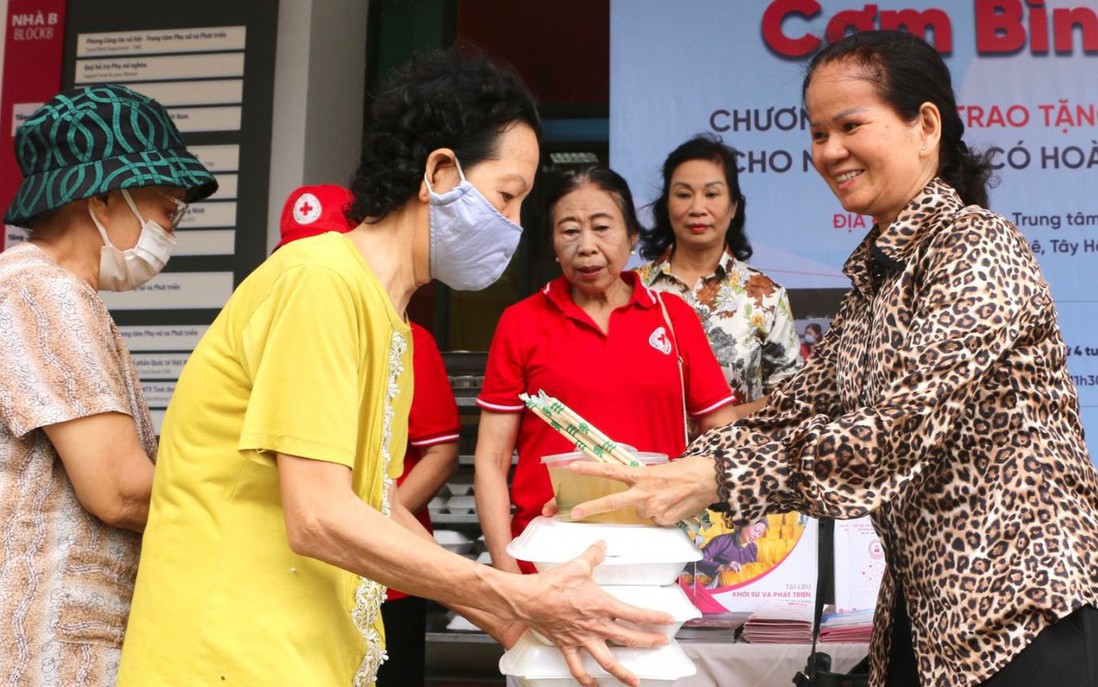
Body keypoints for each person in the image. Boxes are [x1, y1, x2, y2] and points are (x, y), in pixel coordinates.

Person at [116, 50, 669, 687]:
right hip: (229, 656)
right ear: (439, 171)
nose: (515, 228)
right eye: (507, 196)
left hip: (298, 657)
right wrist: (514, 594)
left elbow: (374, 503)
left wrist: (516, 625)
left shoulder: (388, 316)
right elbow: (319, 515)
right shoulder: (319, 283)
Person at [568, 30, 1098, 687]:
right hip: (926, 619)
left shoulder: (977, 247)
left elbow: (893, 433)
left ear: (924, 125)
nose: (829, 151)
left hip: (1018, 620)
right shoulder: (879, 276)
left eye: (850, 125)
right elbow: (789, 408)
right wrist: (654, 474)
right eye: (818, 133)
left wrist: (715, 480)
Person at [0, 84, 217, 685]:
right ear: (102, 196)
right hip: (47, 650)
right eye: (167, 209)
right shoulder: (44, 294)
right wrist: (274, 505)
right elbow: (119, 489)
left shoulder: (44, 292)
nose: (171, 229)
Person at [474, 166, 739, 575]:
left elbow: (722, 435)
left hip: (654, 550)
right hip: (549, 553)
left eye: (602, 227)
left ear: (633, 236)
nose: (587, 247)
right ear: (553, 245)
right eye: (569, 231)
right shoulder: (520, 322)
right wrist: (508, 578)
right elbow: (491, 460)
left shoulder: (674, 318)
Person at [275, 183, 461, 687]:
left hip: (388, 568)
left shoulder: (408, 339)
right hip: (305, 565)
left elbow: (440, 449)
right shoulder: (281, 330)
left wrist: (373, 512)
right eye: (296, 254)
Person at [636, 135, 802, 416]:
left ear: (734, 206)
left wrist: (724, 420)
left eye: (712, 194)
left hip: (734, 455)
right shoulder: (631, 289)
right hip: (647, 458)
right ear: (666, 206)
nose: (697, 209)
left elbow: (792, 397)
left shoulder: (766, 296)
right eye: (683, 195)